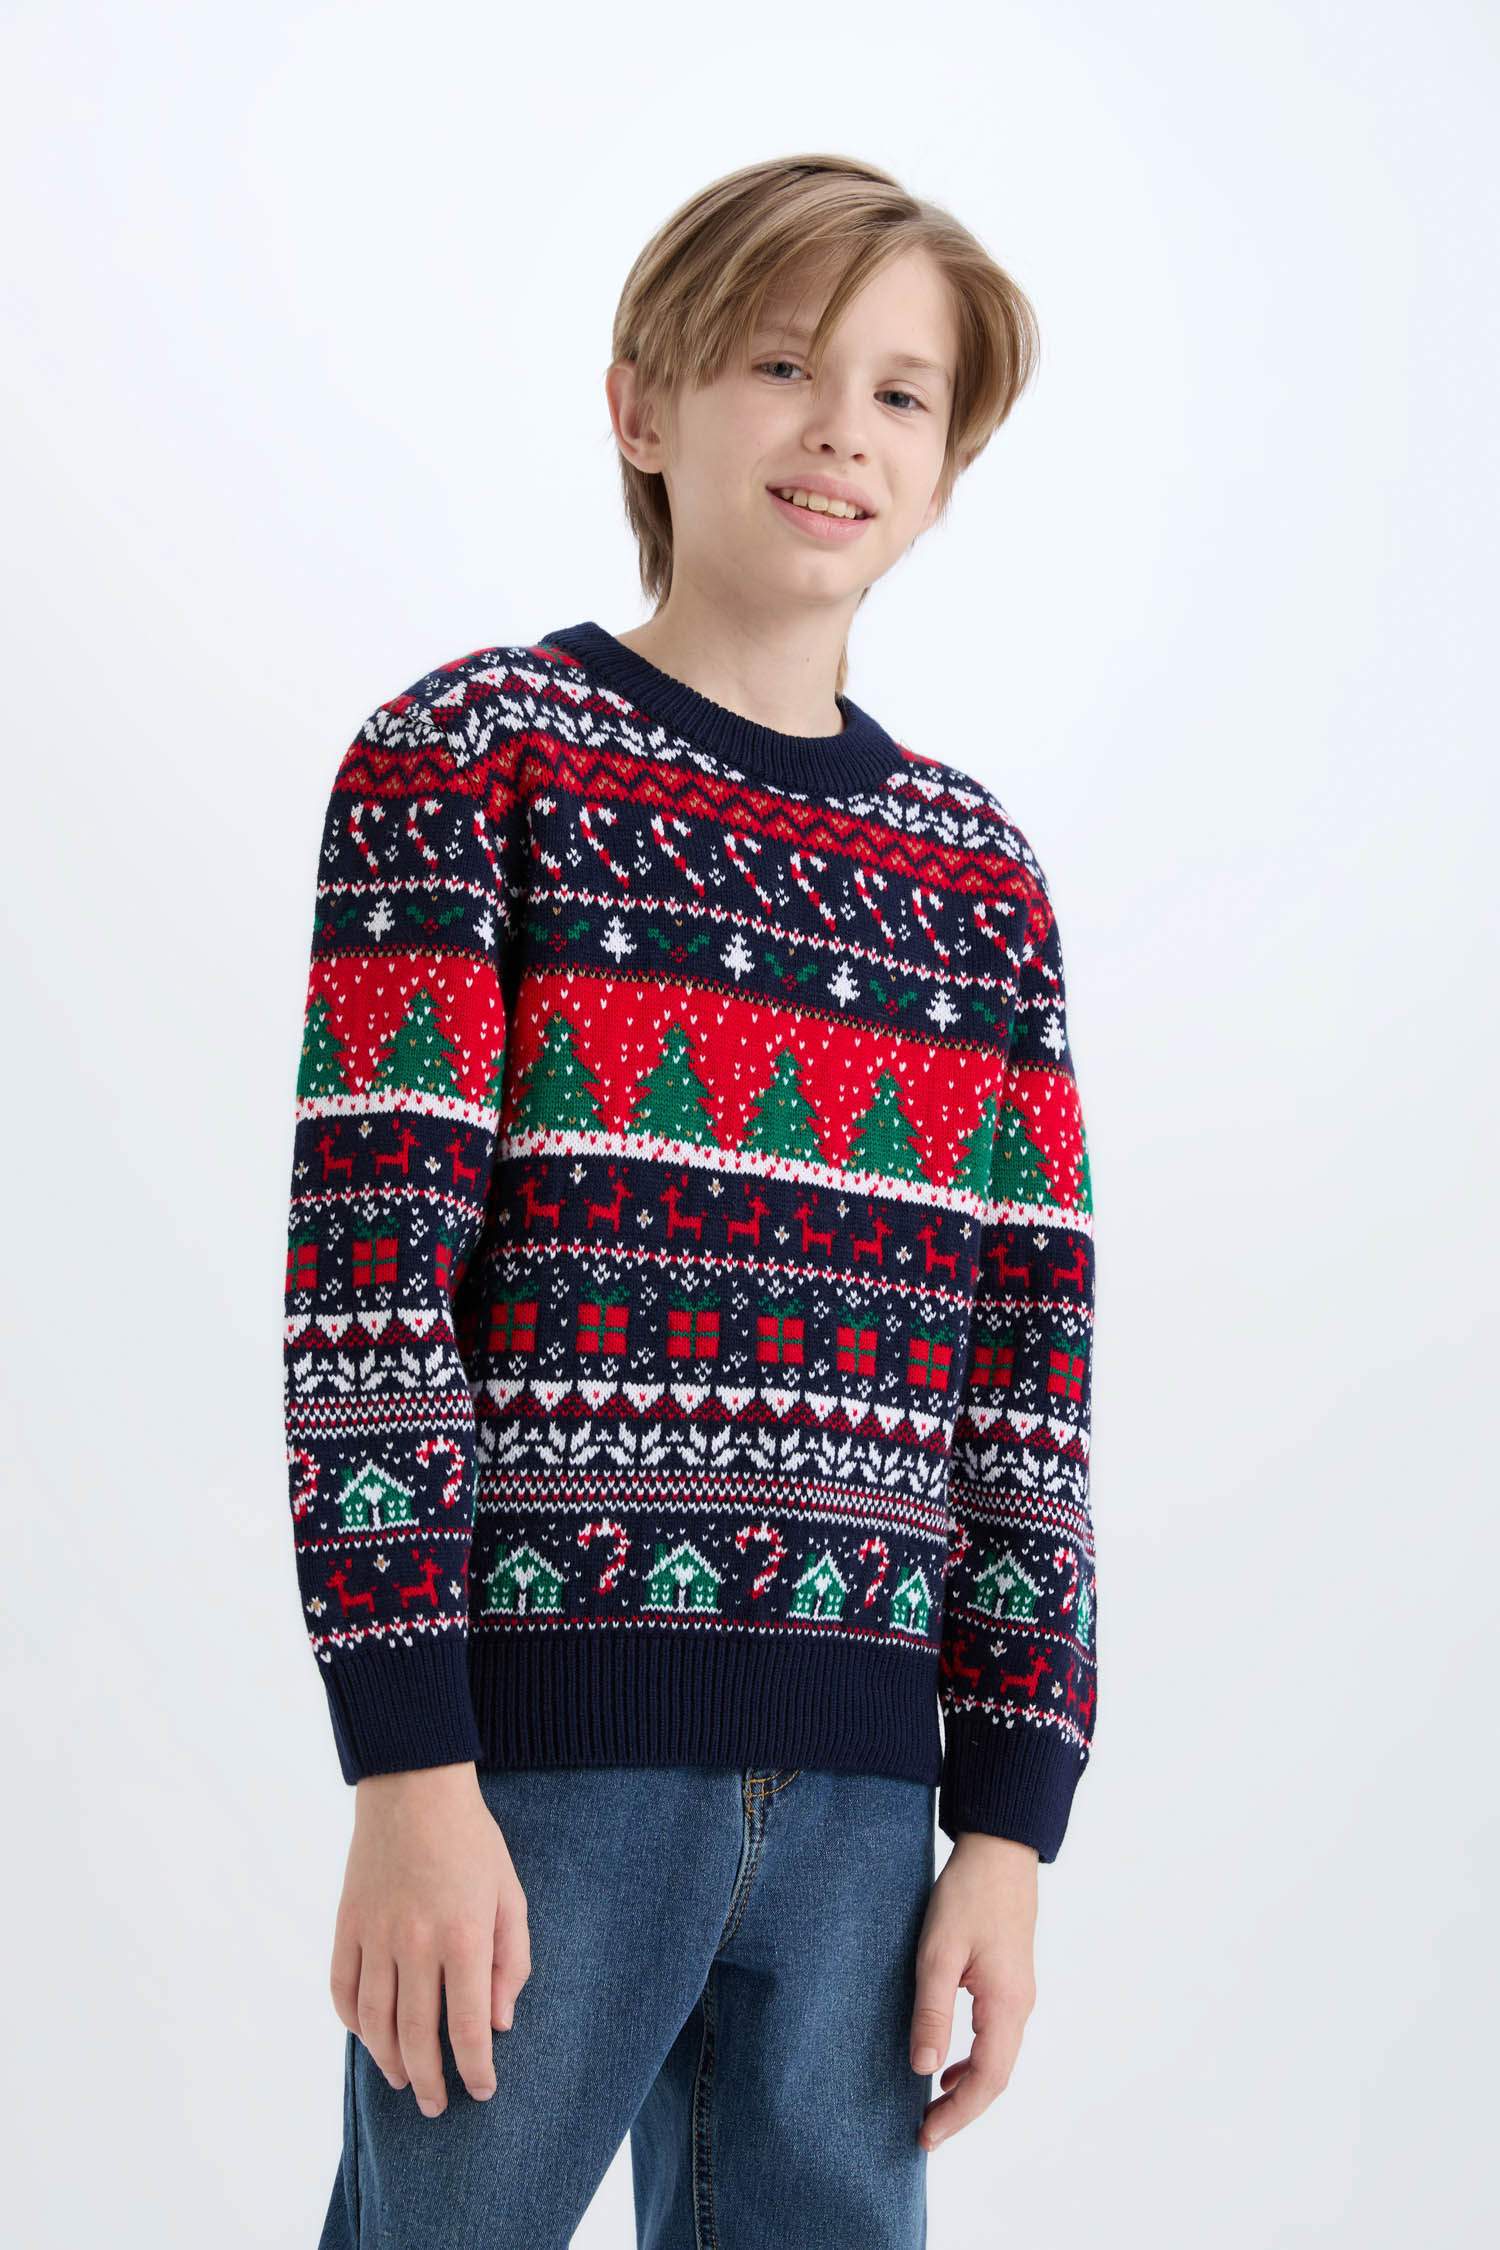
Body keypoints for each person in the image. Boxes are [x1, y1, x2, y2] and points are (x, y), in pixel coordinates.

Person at [283, 151, 1099, 2249]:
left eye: (903, 394)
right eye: (780, 364)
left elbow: (1027, 1381)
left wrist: (1006, 1826)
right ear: (642, 406)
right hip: (532, 1776)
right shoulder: (473, 759)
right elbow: (371, 1297)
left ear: (948, 467)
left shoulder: (979, 882)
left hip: (865, 1807)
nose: (842, 430)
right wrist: (408, 1770)